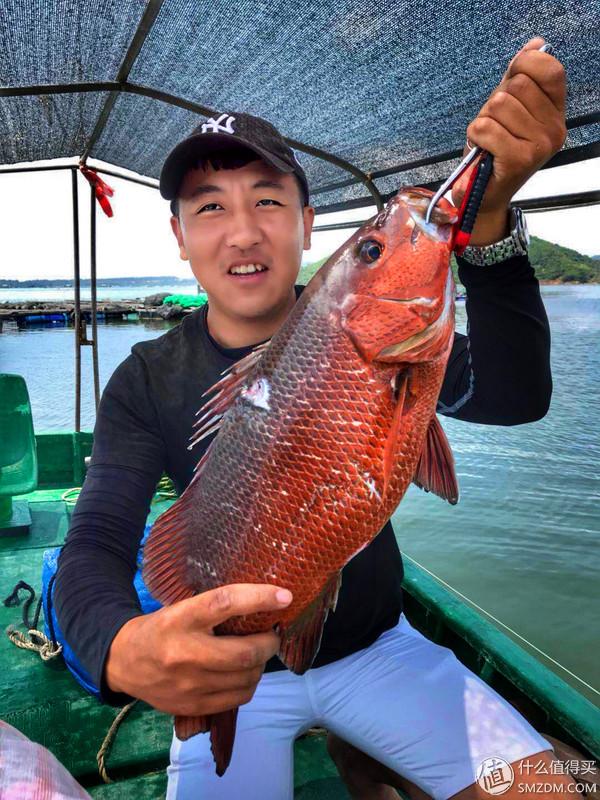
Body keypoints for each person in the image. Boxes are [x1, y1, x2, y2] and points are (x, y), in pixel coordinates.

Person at [55, 37, 577, 800]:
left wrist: (491, 233)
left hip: (379, 647)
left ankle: (365, 753)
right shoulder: (145, 379)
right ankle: (363, 759)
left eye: (268, 200)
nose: (242, 232)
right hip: (237, 681)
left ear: (306, 222)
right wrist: (119, 646)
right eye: (210, 208)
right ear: (180, 238)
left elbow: (518, 395)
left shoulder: (380, 340)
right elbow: (96, 542)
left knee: (551, 791)